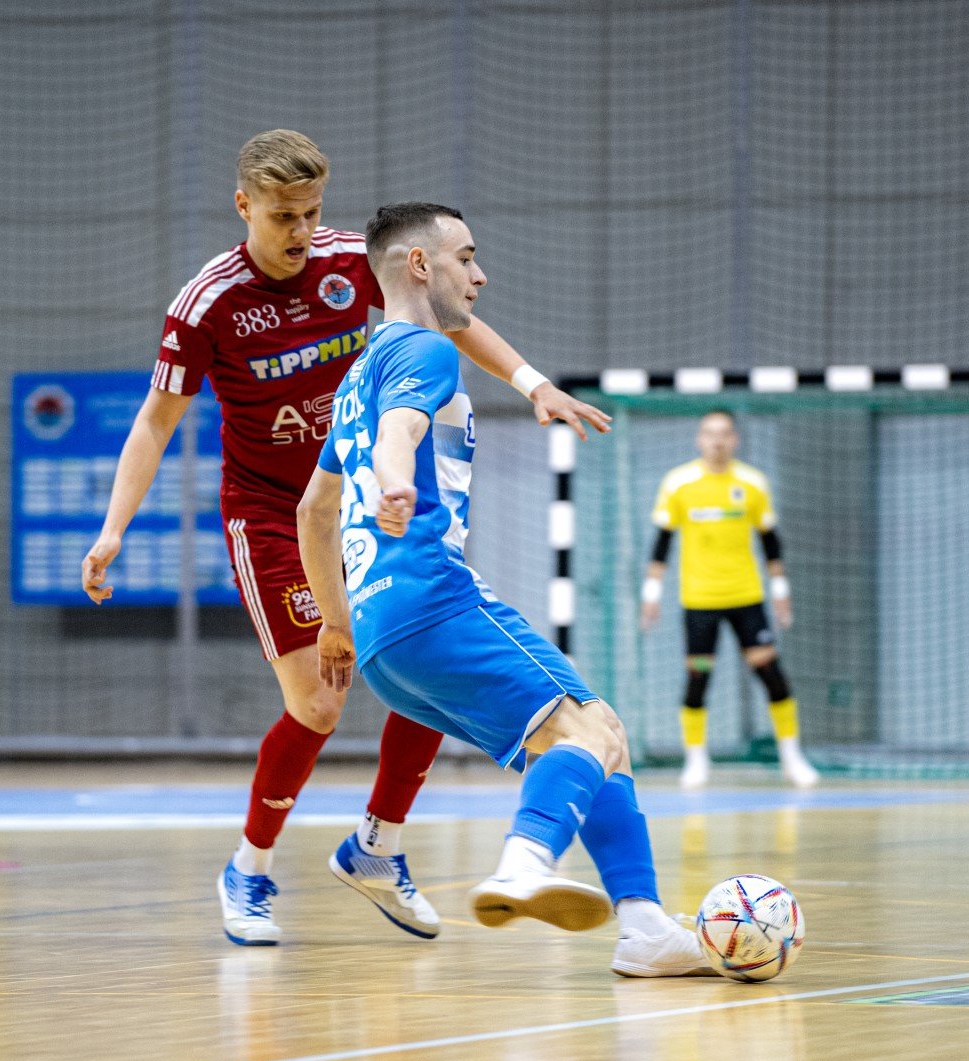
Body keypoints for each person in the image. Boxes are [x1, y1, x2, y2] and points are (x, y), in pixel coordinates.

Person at [81, 130, 610, 947]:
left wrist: (534, 384)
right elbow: (155, 424)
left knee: (427, 648)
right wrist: (115, 529)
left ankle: (378, 845)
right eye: (284, 216)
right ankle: (249, 871)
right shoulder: (206, 302)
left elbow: (451, 317)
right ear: (243, 206)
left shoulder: (347, 260)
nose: (300, 231)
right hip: (268, 512)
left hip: (362, 497)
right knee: (319, 702)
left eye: (312, 212)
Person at [297, 201, 710, 977]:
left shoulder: (359, 373)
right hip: (435, 600)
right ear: (421, 265)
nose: (480, 274)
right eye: (466, 256)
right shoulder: (424, 352)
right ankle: (523, 865)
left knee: (597, 738)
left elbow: (311, 511)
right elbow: (401, 437)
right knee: (589, 733)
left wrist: (336, 622)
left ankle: (647, 927)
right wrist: (394, 483)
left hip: (384, 639)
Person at [640, 411, 820, 790]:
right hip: (699, 600)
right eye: (709, 433)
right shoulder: (679, 483)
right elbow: (662, 542)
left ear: (734, 440)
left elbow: (770, 542)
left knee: (771, 675)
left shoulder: (752, 483)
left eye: (724, 434)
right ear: (699, 439)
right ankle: (696, 761)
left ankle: (792, 758)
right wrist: (651, 595)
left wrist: (781, 592)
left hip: (746, 597)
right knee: (698, 676)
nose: (717, 441)